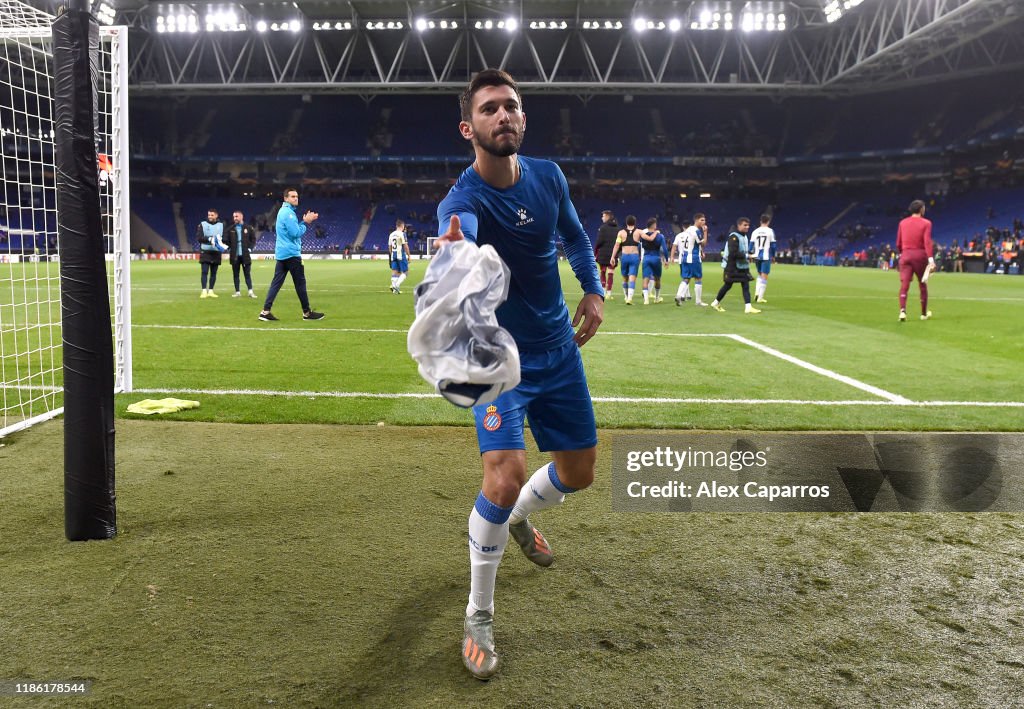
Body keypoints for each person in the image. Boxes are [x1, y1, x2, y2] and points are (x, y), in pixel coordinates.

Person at [433, 68, 604, 681]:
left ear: (522, 119)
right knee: (503, 478)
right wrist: (455, 247)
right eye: (489, 109)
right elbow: (463, 237)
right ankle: (478, 613)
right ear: (468, 128)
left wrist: (593, 289)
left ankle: (523, 516)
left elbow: (577, 238)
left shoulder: (549, 177)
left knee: (578, 472)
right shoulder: (464, 202)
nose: (503, 115)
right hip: (498, 360)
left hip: (559, 351)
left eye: (511, 106)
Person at [258, 188, 324, 322]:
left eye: (297, 196)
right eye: (293, 196)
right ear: (286, 198)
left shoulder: (285, 212)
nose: (296, 198)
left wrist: (303, 221)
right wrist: (306, 222)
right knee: (300, 284)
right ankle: (307, 313)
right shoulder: (288, 213)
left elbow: (291, 231)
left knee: (276, 284)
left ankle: (265, 312)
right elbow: (295, 233)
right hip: (291, 254)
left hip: (282, 254)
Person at [710, 217, 760, 314]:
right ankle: (715, 302)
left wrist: (750, 255)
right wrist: (747, 255)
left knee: (745, 285)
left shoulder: (744, 236)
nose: (747, 227)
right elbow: (733, 253)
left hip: (742, 266)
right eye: (745, 225)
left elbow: (743, 250)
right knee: (727, 285)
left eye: (748, 225)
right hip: (733, 266)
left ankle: (748, 307)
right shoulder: (733, 237)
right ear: (739, 225)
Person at [895, 199, 934, 322]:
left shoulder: (902, 223)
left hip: (906, 255)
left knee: (904, 285)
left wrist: (903, 253)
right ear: (921, 209)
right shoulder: (926, 223)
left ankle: (902, 311)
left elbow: (898, 243)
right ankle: (923, 314)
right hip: (920, 255)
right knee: (922, 284)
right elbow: (927, 242)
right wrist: (931, 259)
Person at [670, 213, 708, 307]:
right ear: (696, 220)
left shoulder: (688, 230)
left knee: (686, 278)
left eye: (704, 220)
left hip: (685, 257)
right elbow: (703, 244)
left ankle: (678, 295)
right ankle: (698, 301)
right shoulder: (696, 231)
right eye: (702, 220)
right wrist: (706, 232)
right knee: (698, 278)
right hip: (694, 257)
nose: (704, 222)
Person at [609, 215, 642, 304]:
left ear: (626, 223)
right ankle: (629, 298)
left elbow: (617, 245)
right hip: (634, 256)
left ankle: (626, 296)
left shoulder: (621, 233)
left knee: (624, 278)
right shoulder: (639, 232)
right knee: (632, 277)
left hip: (624, 257)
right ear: (635, 223)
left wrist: (612, 257)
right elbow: (648, 238)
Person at [196, 208, 227, 298]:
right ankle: (204, 291)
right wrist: (210, 239)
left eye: (212, 215)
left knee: (214, 273)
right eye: (209, 215)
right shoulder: (202, 224)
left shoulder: (221, 225)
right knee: (204, 272)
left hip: (216, 252)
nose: (210, 216)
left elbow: (225, 237)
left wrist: (219, 240)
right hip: (205, 251)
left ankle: (211, 291)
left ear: (216, 215)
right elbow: (199, 238)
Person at [226, 210, 257, 298]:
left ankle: (250, 292)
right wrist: (229, 248)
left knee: (247, 274)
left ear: (241, 217)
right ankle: (237, 292)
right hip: (234, 256)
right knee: (236, 274)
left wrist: (250, 249)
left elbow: (253, 239)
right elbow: (225, 240)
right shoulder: (230, 229)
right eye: (234, 217)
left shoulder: (249, 228)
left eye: (236, 216)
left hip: (245, 255)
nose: (235, 218)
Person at [639, 217, 668, 304]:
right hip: (656, 258)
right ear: (654, 225)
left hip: (646, 258)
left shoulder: (643, 235)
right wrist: (666, 260)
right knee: (657, 279)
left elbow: (639, 246)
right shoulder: (660, 236)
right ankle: (656, 298)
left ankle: (646, 300)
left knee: (645, 279)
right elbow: (665, 249)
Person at [749, 214, 776, 304]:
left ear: (760, 221)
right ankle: (760, 298)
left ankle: (757, 294)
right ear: (768, 221)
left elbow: (751, 245)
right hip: (766, 256)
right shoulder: (770, 231)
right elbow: (773, 245)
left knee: (760, 275)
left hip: (756, 256)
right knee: (764, 276)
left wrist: (749, 254)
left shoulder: (755, 231)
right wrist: (773, 255)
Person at [593, 210, 618, 299]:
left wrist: (595, 252)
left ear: (608, 216)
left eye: (603, 216)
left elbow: (599, 242)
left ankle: (602, 292)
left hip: (603, 254)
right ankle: (609, 293)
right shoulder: (617, 228)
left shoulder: (603, 228)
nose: (602, 218)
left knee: (603, 272)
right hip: (613, 255)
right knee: (611, 273)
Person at [388, 219, 411, 293]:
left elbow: (390, 246)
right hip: (400, 254)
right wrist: (409, 256)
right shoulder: (402, 234)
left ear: (396, 226)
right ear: (402, 226)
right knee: (406, 271)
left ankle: (394, 289)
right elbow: (405, 246)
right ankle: (396, 286)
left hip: (393, 255)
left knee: (395, 271)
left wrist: (392, 254)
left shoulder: (391, 234)